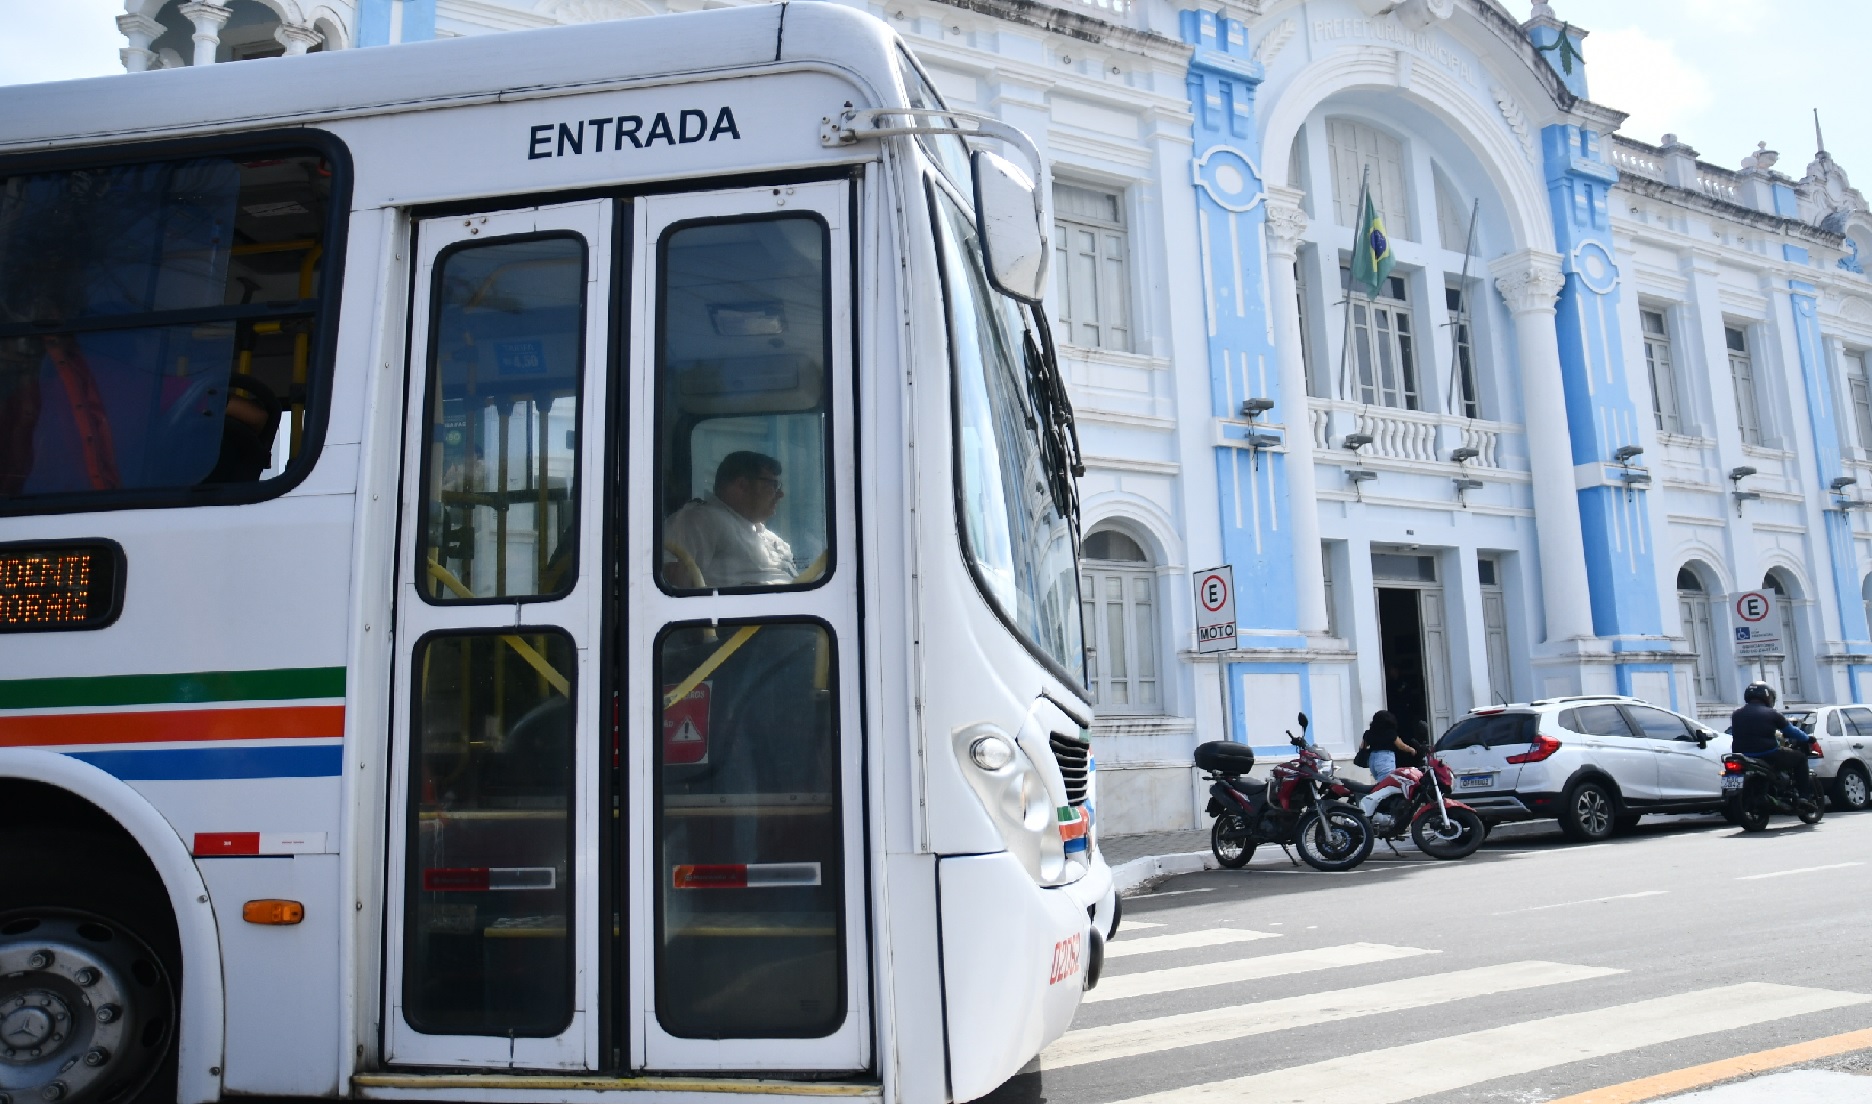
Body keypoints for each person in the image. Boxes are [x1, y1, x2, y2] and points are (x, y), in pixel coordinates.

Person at [663, 451, 797, 588]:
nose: (780, 494)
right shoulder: (703, 520)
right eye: (773, 485)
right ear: (742, 485)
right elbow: (671, 580)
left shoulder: (768, 536)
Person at [1730, 681, 1818, 801]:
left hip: (1742, 755)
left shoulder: (1736, 714)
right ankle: (1804, 796)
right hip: (1767, 754)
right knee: (1800, 758)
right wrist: (1808, 738)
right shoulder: (1772, 714)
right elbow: (1792, 731)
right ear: (1767, 697)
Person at [1360, 710, 1417, 779]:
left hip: (1372, 760)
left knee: (1379, 783)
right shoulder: (1390, 733)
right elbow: (1401, 746)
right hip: (1385, 759)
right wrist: (1411, 750)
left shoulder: (1368, 733)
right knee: (1385, 784)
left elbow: (1362, 747)